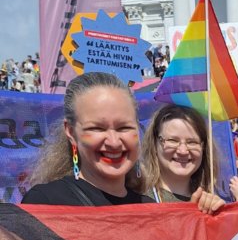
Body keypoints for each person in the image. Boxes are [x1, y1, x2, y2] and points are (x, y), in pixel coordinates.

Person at [22, 72, 153, 206]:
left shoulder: (152, 211)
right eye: (97, 128)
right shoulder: (44, 203)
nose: (114, 142)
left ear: (137, 127)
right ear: (71, 132)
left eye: (124, 127)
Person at [140, 104, 227, 213]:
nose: (183, 151)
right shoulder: (139, 201)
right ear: (154, 144)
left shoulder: (211, 206)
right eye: (172, 140)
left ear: (204, 148)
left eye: (192, 142)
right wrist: (188, 218)